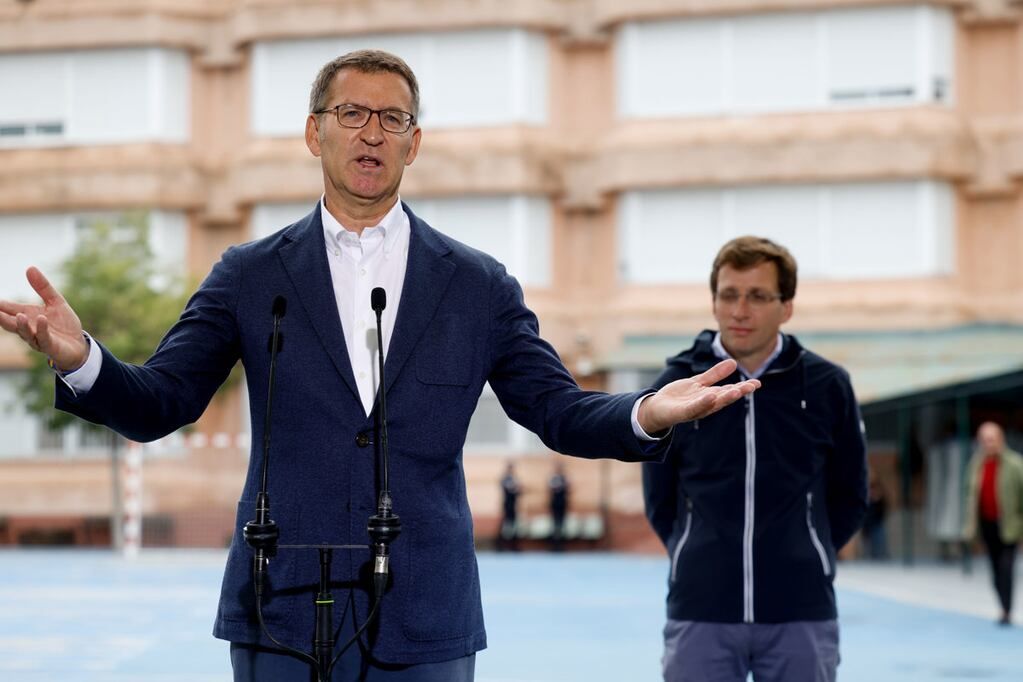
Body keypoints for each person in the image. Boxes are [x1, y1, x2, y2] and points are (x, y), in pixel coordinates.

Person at [0, 50, 759, 681]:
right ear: (314, 132)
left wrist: (646, 411)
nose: (372, 132)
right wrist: (83, 359)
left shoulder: (477, 284)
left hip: (424, 611)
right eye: (352, 113)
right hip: (279, 603)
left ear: (413, 142)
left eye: (392, 119)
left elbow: (557, 409)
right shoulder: (249, 274)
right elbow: (161, 400)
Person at [642, 236, 868, 682]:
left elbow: (851, 495)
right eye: (729, 295)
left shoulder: (827, 385)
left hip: (801, 609)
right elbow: (659, 499)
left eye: (758, 296)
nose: (740, 310)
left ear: (786, 307)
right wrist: (696, 554)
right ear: (714, 302)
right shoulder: (677, 384)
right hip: (701, 606)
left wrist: (810, 552)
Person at [963, 421, 1023, 626]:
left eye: (992, 439)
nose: (989, 443)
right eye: (985, 440)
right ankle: (1003, 605)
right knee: (995, 569)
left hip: (1010, 525)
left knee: (1006, 568)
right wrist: (970, 528)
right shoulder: (976, 465)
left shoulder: (1015, 464)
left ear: (1000, 439)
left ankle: (1006, 610)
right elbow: (969, 496)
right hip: (987, 524)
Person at [861, 468, 888, 560]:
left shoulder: (880, 493)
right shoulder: (865, 491)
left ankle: (881, 558)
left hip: (876, 524)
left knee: (879, 545)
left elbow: (884, 507)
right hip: (867, 525)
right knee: (867, 548)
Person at [497, 463, 521, 552]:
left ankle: (513, 545)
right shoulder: (505, 479)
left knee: (513, 524)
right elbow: (510, 489)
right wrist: (515, 487)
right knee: (505, 523)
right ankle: (500, 544)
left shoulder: (514, 479)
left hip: (513, 504)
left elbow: (518, 490)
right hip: (507, 504)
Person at [547, 461, 570, 552]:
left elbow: (568, 488)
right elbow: (551, 488)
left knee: (562, 524)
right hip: (555, 503)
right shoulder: (553, 478)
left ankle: (561, 544)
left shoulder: (564, 478)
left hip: (562, 503)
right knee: (554, 524)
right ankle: (554, 544)